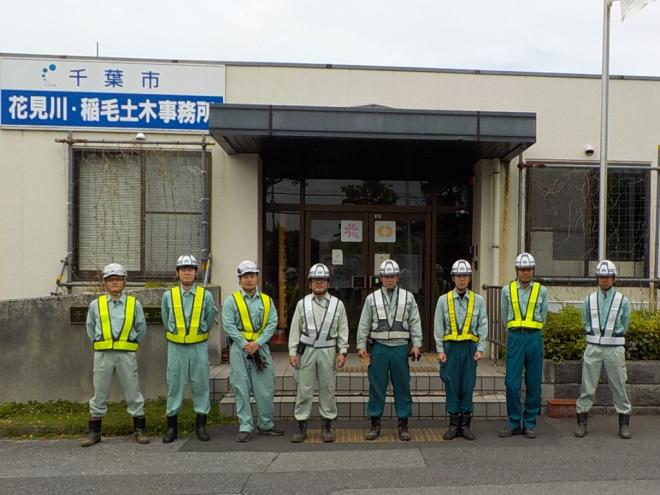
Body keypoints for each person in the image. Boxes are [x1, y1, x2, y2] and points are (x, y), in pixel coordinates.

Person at [82, 263, 148, 447]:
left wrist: (131, 344)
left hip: (126, 354)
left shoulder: (134, 304)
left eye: (118, 279)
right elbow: (90, 328)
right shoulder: (96, 304)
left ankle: (140, 429)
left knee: (133, 390)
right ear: (105, 283)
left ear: (125, 281)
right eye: (111, 280)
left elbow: (141, 328)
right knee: (99, 392)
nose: (114, 283)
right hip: (103, 355)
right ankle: (95, 432)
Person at [357, 259, 422, 441]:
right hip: (379, 348)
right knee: (376, 386)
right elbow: (364, 323)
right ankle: (375, 423)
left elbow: (415, 322)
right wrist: (361, 345)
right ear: (380, 278)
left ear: (398, 277)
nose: (389, 279)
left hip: (400, 348)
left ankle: (403, 424)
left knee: (402, 386)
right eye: (386, 276)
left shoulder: (408, 297)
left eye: (392, 276)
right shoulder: (372, 298)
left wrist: (416, 344)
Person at [222, 260, 283, 442]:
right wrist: (244, 343)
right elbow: (228, 324)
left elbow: (272, 323)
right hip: (239, 349)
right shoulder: (231, 300)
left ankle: (266, 424)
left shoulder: (266, 300)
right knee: (241, 387)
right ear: (239, 279)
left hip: (261, 348)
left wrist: (258, 342)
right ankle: (245, 426)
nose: (249, 280)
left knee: (265, 387)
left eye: (252, 276)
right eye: (245, 276)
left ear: (257, 278)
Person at [288, 263, 349, 443]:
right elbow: (294, 330)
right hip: (306, 351)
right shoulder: (302, 304)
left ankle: (327, 425)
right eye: (315, 280)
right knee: (304, 389)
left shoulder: (338, 305)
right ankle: (301, 425)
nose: (319, 283)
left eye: (322, 280)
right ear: (309, 283)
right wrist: (293, 352)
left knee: (327, 389)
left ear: (329, 283)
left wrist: (342, 352)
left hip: (328, 351)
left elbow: (343, 329)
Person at [161, 254, 217, 443]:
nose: (187, 272)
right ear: (177, 273)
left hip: (198, 347)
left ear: (196, 273)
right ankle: (171, 427)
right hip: (176, 348)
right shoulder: (169, 295)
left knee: (201, 385)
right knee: (174, 385)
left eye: (190, 269)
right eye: (183, 269)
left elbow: (210, 319)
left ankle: (201, 425)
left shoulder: (205, 295)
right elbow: (165, 317)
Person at [575, 260, 632, 439]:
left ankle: (624, 424)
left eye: (607, 277)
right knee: (587, 386)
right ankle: (581, 423)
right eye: (601, 277)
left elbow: (626, 323)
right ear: (597, 279)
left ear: (614, 278)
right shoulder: (589, 299)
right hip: (593, 346)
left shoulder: (623, 300)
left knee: (619, 385)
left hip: (615, 348)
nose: (604, 280)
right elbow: (584, 321)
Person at [433, 259, 488, 441]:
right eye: (458, 276)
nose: (462, 279)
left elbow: (483, 325)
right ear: (453, 278)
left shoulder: (478, 300)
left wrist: (480, 348)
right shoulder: (444, 300)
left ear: (470, 278)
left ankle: (465, 424)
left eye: (465, 276)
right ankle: (453, 423)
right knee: (451, 384)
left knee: (467, 385)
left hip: (469, 348)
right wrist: (440, 349)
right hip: (450, 349)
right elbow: (438, 326)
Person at [499, 252, 548, 439]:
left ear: (533, 271)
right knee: (511, 383)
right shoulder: (507, 290)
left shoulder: (541, 291)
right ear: (516, 271)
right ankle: (513, 422)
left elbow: (543, 316)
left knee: (534, 382)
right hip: (515, 337)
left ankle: (529, 423)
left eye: (528, 270)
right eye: (522, 270)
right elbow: (504, 315)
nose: (525, 273)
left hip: (534, 337)